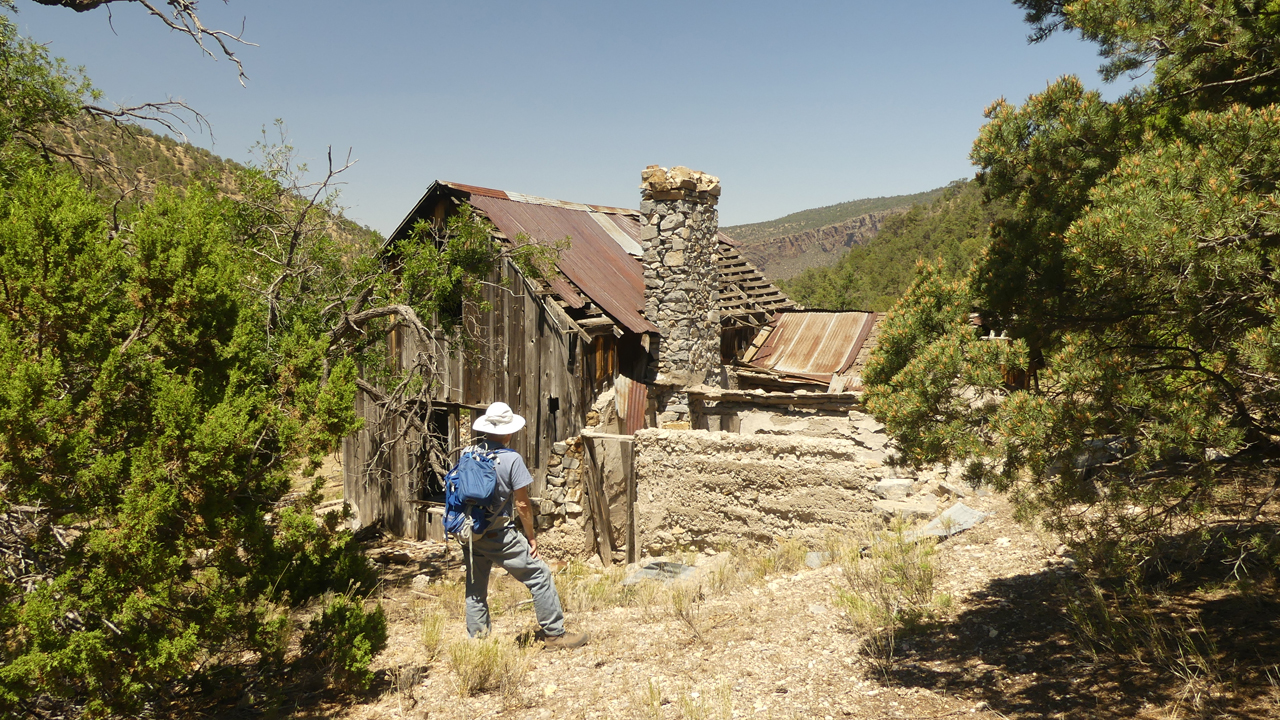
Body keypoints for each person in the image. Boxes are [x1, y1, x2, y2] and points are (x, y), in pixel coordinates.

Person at [462, 401, 588, 649]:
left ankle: (477, 646)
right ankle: (554, 635)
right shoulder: (511, 459)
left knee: (476, 590)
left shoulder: (469, 453)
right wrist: (531, 536)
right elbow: (522, 505)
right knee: (539, 574)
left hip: (470, 531)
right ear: (509, 431)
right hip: (498, 533)